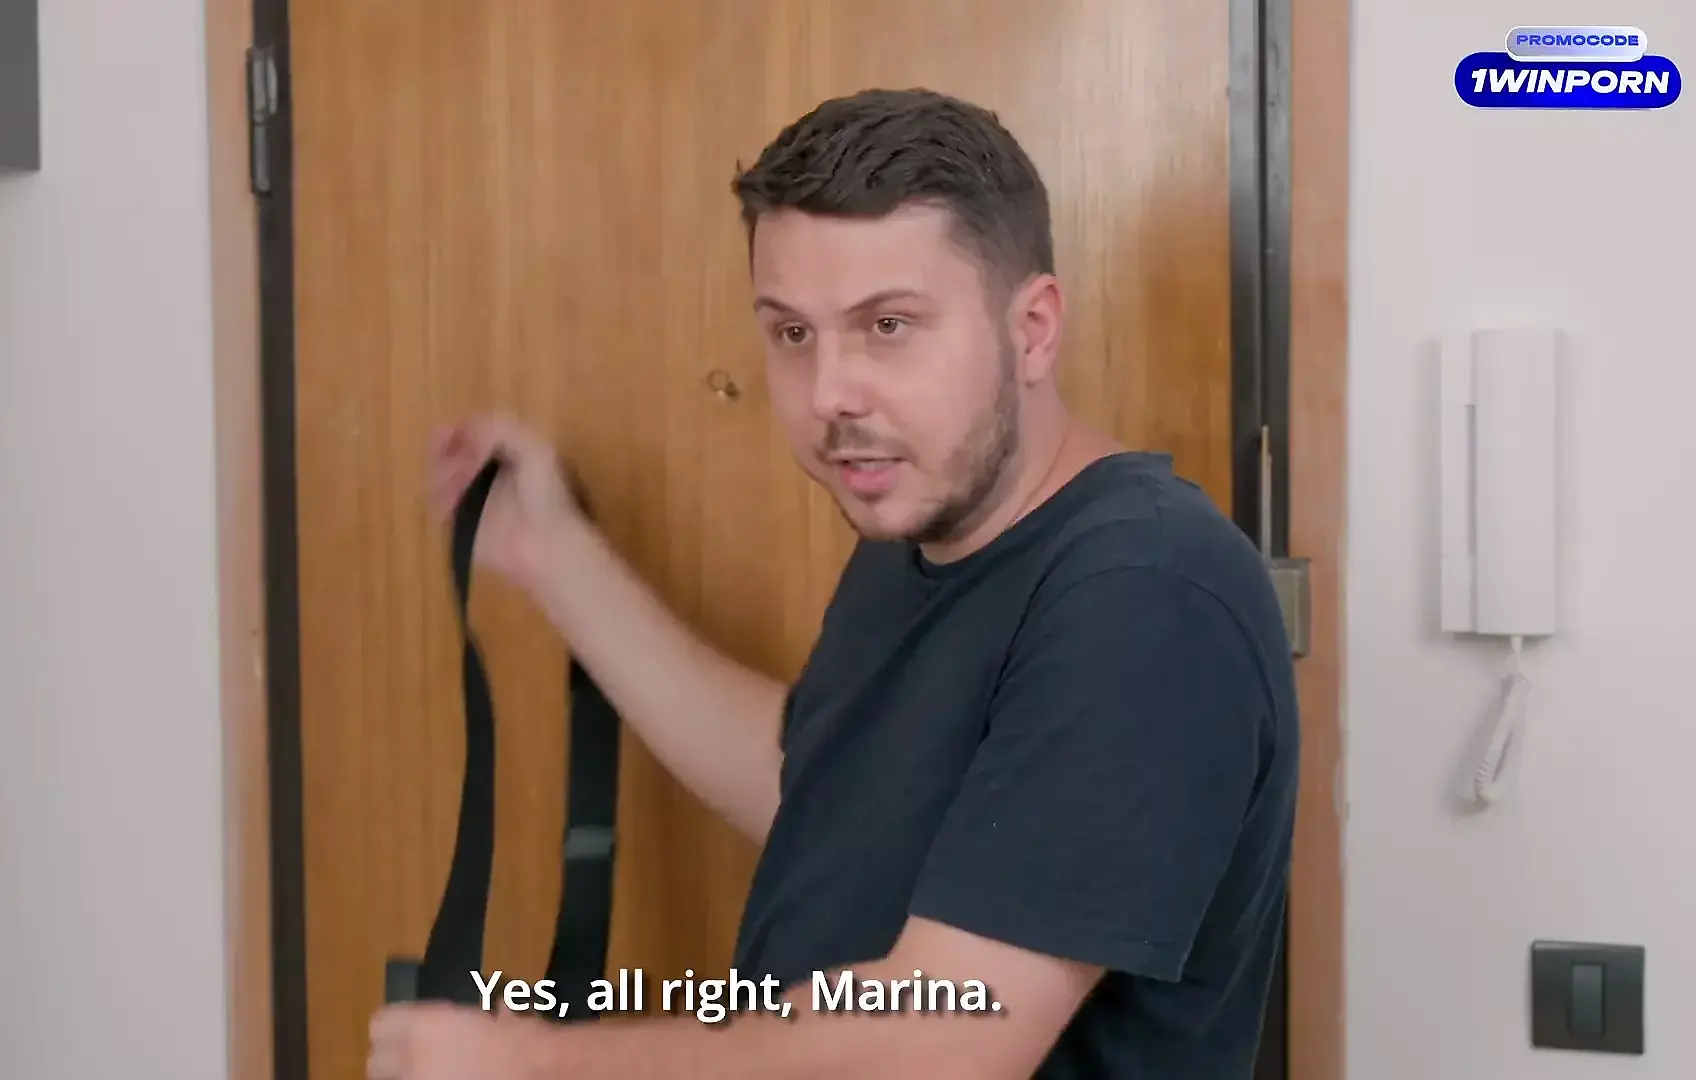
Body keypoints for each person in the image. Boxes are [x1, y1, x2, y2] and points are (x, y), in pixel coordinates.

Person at [367, 87, 1300, 1080]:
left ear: (1032, 328)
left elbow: (946, 1041)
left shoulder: (1149, 595)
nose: (829, 397)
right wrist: (555, 560)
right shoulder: (915, 524)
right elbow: (818, 792)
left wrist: (536, 1066)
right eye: (791, 334)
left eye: (887, 325)